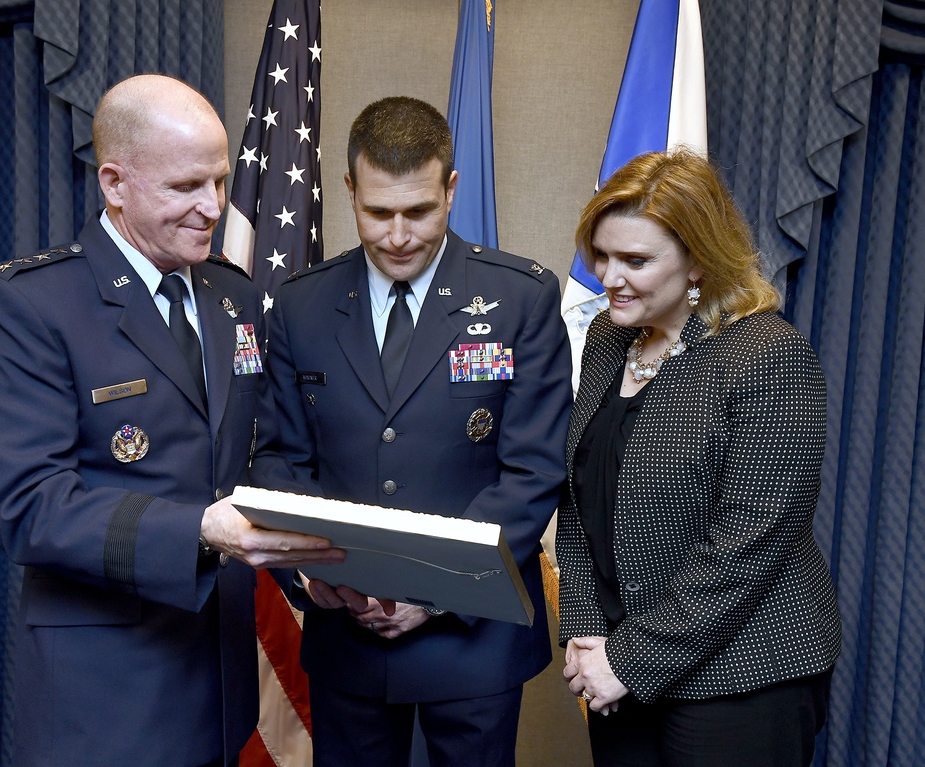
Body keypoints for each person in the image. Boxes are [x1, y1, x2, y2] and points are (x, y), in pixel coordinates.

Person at [0, 74, 345, 767]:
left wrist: (312, 554)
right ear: (114, 182)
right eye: (185, 187)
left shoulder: (234, 296)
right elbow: (28, 506)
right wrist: (199, 528)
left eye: (222, 182)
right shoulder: (31, 304)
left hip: (224, 687)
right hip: (109, 695)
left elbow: (256, 458)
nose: (213, 207)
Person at [265, 96, 573, 767]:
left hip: (472, 639)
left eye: (420, 211)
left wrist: (432, 589)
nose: (399, 234)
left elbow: (533, 469)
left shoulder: (521, 297)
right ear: (348, 190)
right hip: (346, 632)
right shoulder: (299, 303)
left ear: (451, 189)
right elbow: (281, 459)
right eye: (378, 212)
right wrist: (317, 576)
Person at [557, 149, 842, 767]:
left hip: (744, 673)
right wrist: (586, 632)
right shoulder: (609, 340)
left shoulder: (768, 356)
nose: (609, 277)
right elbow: (580, 502)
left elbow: (749, 544)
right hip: (619, 663)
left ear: (697, 261)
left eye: (636, 260)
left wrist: (629, 660)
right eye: (602, 254)